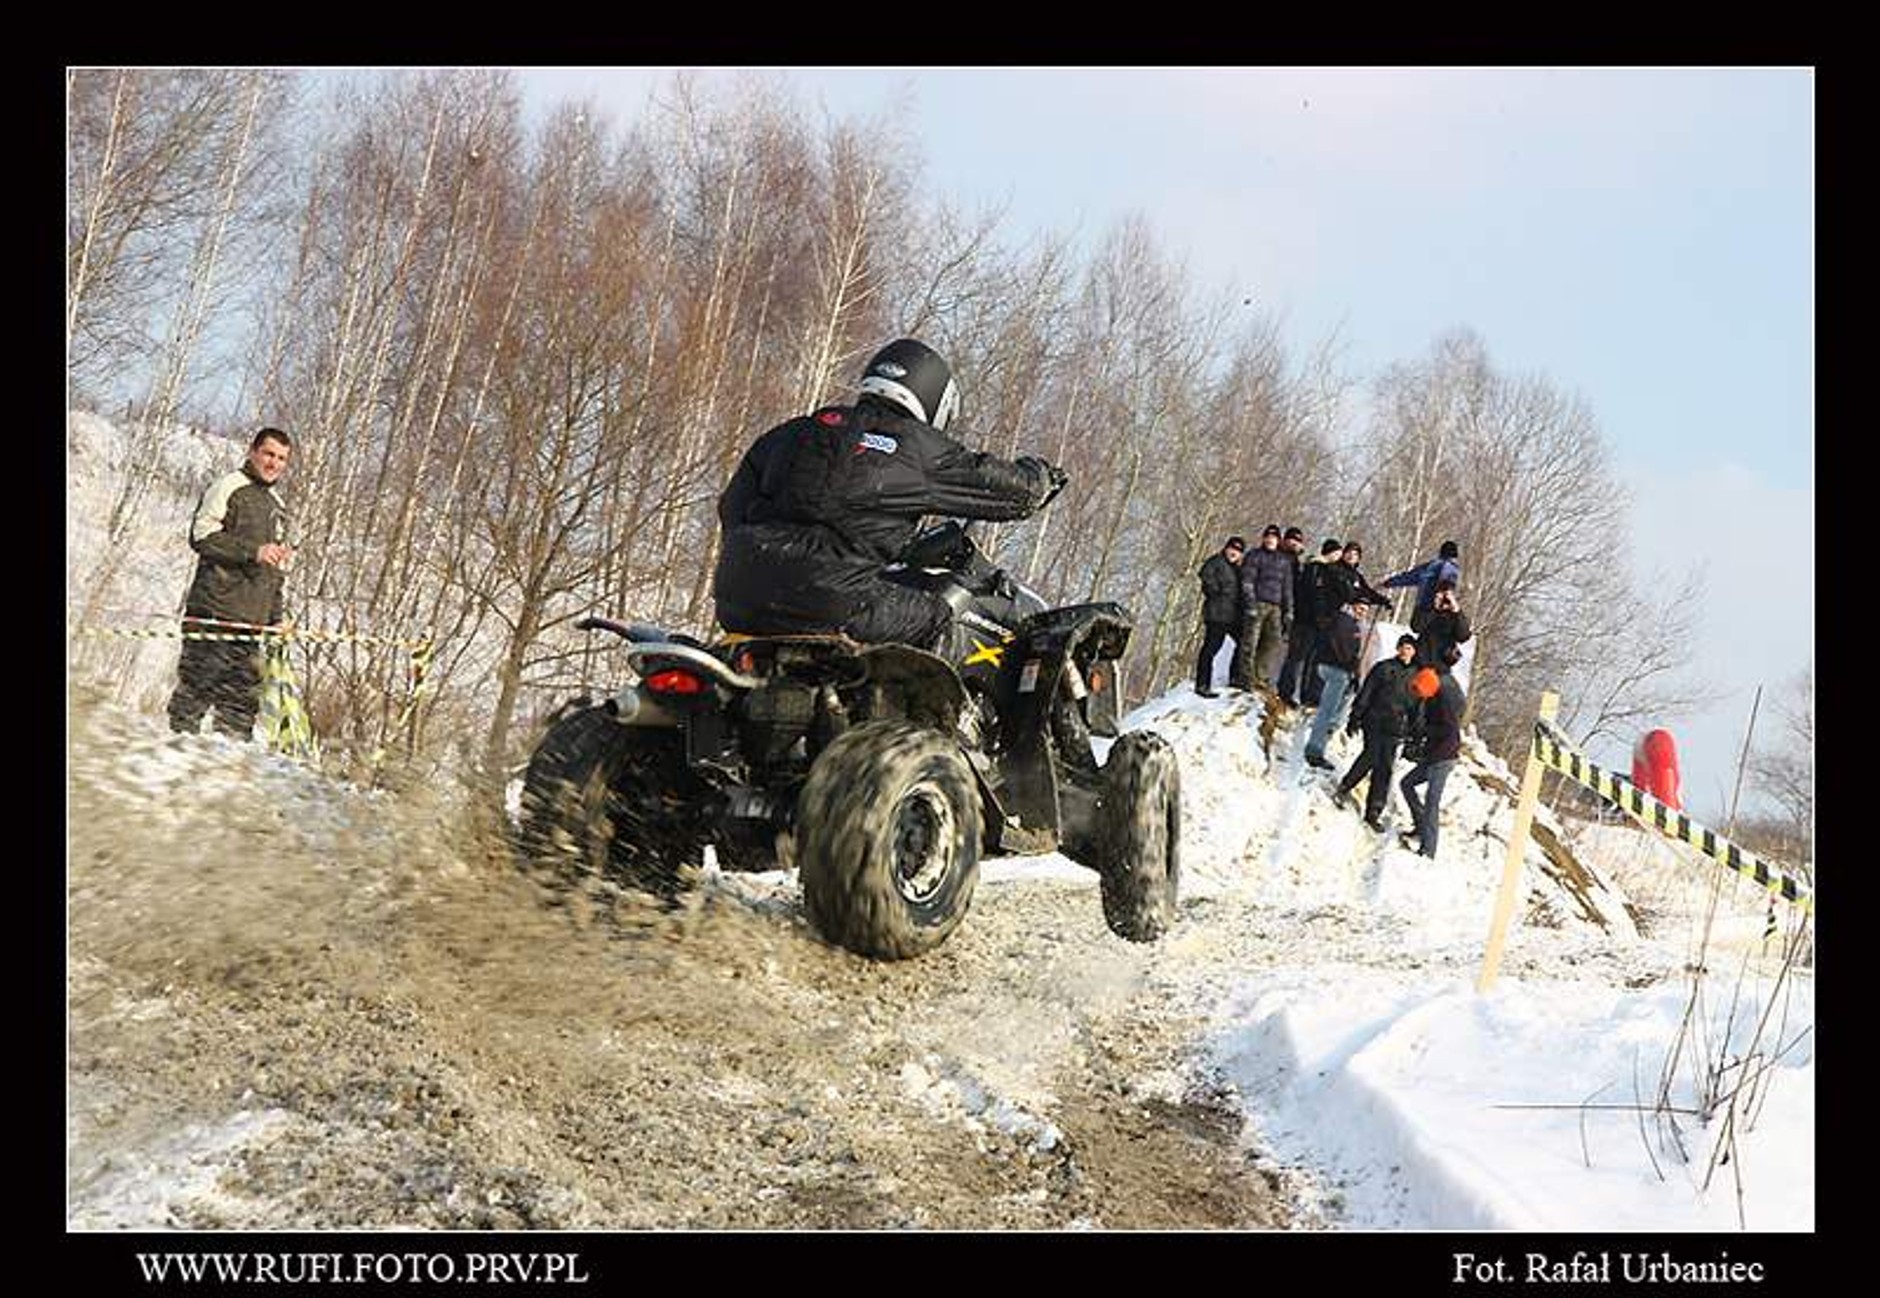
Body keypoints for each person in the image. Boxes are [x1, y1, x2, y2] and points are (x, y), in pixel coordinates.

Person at [713, 338, 1062, 651]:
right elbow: (1015, 492)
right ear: (935, 401)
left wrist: (762, 562)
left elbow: (731, 506)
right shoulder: (917, 447)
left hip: (737, 596)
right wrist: (1043, 476)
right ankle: (915, 706)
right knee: (944, 616)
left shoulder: (795, 431)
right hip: (832, 603)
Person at [167, 426, 294, 737]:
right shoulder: (228, 486)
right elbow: (201, 536)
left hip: (251, 627)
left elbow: (274, 570)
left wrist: (276, 619)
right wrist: (253, 551)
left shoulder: (278, 505)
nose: (274, 463)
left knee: (240, 713)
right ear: (253, 452)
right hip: (214, 614)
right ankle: (175, 757)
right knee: (193, 699)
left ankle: (227, 765)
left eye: (281, 458)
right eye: (268, 454)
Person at [1333, 632, 1421, 830]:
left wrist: (1415, 734)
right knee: (1370, 756)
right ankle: (1345, 786)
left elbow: (1418, 707)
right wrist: (1355, 716)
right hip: (1374, 720)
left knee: (1385, 768)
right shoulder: (1383, 667)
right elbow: (1367, 692)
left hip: (1396, 727)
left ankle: (1374, 811)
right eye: (1402, 647)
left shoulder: (1417, 676)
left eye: (1409, 648)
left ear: (1414, 652)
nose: (1405, 651)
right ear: (1397, 648)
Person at [1399, 657, 1466, 858]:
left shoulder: (1444, 701)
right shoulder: (1430, 698)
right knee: (1407, 784)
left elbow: (1449, 729)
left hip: (1444, 757)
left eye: (1419, 690)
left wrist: (1425, 731)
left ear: (1428, 686)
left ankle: (1428, 850)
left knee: (1432, 802)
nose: (1417, 694)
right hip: (1433, 755)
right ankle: (1421, 827)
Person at [1302, 597, 1370, 769]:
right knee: (1327, 712)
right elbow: (1340, 647)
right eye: (1360, 608)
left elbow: (1352, 655)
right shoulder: (1343, 621)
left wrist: (1354, 673)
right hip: (1335, 669)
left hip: (1339, 670)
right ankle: (1314, 751)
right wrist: (1348, 665)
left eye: (1365, 611)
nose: (1362, 613)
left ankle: (1320, 744)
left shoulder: (1352, 624)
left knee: (1337, 714)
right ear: (1352, 607)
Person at [1231, 524, 1293, 695]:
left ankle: (1260, 676)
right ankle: (1245, 678)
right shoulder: (1254, 555)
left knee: (1273, 642)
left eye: (1274, 537)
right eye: (1268, 537)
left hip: (1276, 607)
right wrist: (1250, 603)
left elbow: (1287, 588)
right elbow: (1247, 581)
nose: (1270, 540)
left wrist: (1289, 610)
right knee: (1250, 642)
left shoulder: (1284, 561)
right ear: (1263, 538)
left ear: (1278, 540)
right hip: (1257, 603)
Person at [1278, 532, 1337, 707]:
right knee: (1297, 657)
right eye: (1335, 553)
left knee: (1311, 660)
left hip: (1316, 622)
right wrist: (1318, 615)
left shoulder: (1325, 570)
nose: (1337, 557)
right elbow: (1312, 595)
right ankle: (1285, 692)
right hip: (1305, 620)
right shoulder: (1315, 567)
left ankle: (1307, 695)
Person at [1194, 535, 1246, 697]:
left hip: (1233, 616)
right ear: (1226, 548)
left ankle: (1235, 678)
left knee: (1243, 642)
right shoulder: (1216, 561)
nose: (1234, 553)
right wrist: (1215, 591)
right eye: (1232, 548)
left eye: (1238, 551)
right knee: (1211, 648)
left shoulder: (1237, 569)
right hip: (1217, 614)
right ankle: (1202, 684)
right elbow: (1205, 574)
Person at [1381, 540, 1461, 632]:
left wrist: (1388, 583)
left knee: (1418, 629)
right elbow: (1447, 584)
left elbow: (1409, 577)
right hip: (1441, 612)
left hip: (1422, 610)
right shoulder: (1453, 568)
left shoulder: (1430, 566)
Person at [1317, 539, 1393, 620]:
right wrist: (1358, 600)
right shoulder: (1334, 568)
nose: (1351, 556)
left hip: (1342, 614)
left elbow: (1367, 592)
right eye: (1349, 552)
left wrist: (1383, 601)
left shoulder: (1356, 575)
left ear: (1358, 558)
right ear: (1343, 554)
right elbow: (1346, 592)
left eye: (1355, 554)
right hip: (1328, 611)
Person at [1413, 579, 1472, 671]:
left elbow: (1463, 636)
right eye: (1440, 593)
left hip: (1442, 667)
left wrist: (1456, 611)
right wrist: (1433, 608)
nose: (1443, 598)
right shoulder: (1425, 609)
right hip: (1420, 664)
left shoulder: (1455, 615)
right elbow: (1416, 627)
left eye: (1446, 594)